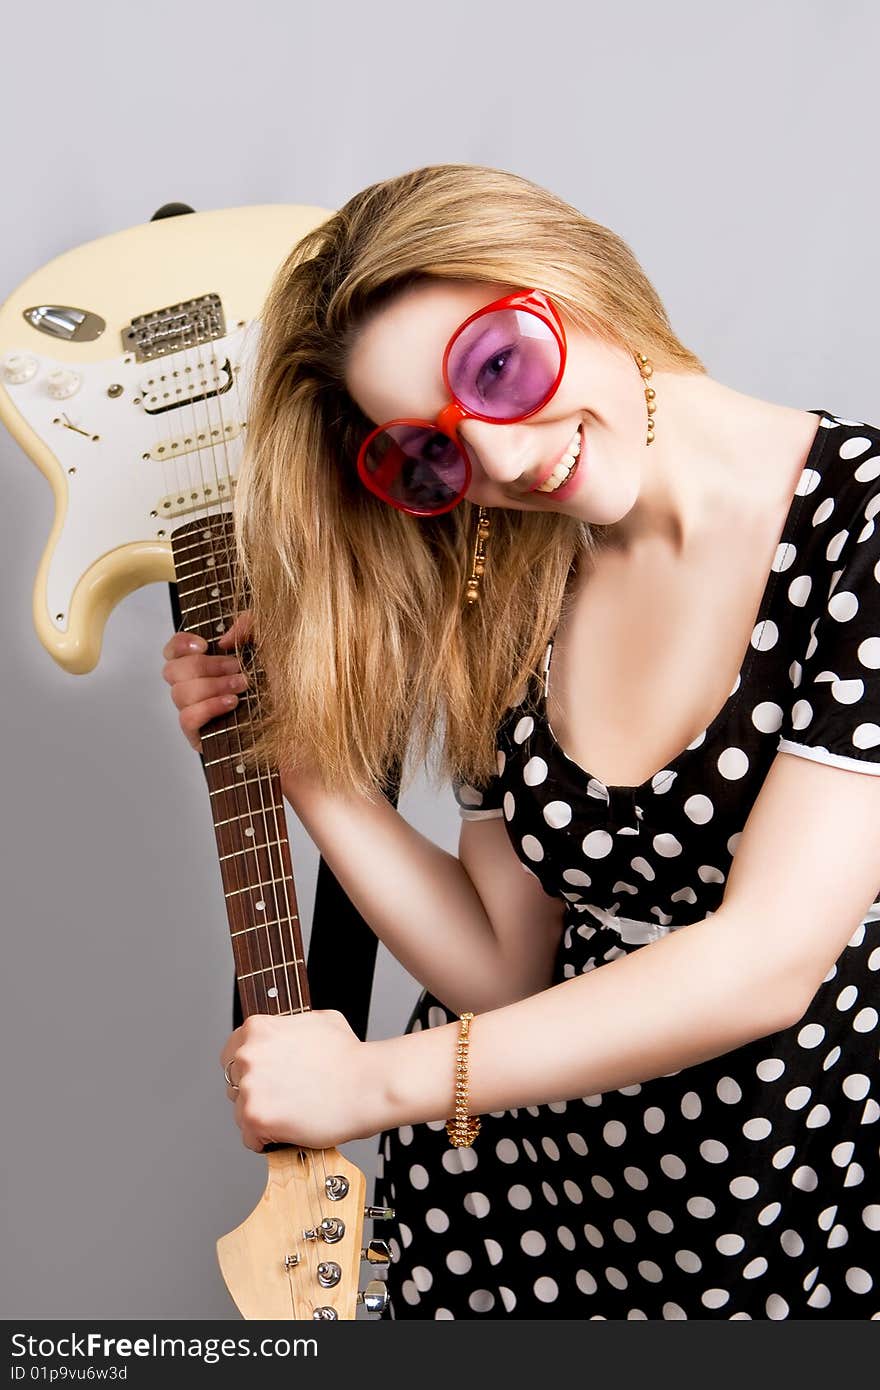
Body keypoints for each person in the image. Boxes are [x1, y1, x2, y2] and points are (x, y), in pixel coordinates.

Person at [161, 163, 880, 1320]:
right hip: (502, 1210)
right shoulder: (508, 573)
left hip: (764, 1214)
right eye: (428, 455)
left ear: (567, 273)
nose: (496, 463)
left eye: (494, 371)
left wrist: (368, 1082)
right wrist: (299, 760)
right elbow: (503, 968)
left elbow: (764, 961)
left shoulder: (863, 536)